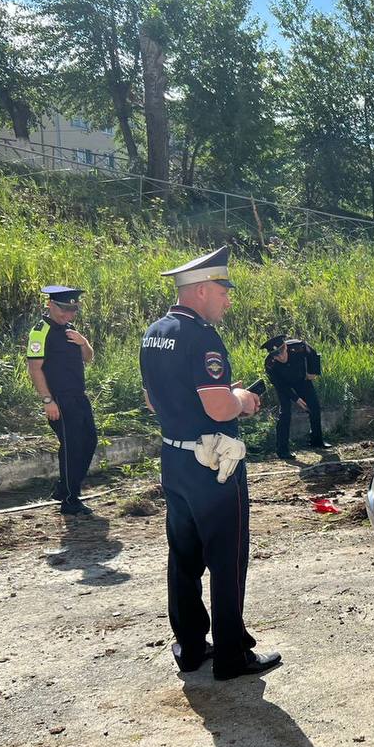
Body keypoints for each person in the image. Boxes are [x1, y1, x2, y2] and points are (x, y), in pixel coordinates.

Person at [139, 245, 281, 682]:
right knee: (227, 558)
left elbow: (152, 399)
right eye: (223, 291)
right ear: (201, 290)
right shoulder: (202, 337)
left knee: (183, 555)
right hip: (212, 464)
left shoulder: (154, 332)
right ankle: (232, 655)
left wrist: (215, 398)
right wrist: (243, 400)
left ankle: (191, 645)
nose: (228, 299)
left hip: (175, 459)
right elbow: (220, 408)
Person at [26, 285, 97, 516]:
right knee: (72, 447)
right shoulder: (40, 331)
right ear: (50, 305)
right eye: (64, 309)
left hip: (79, 396)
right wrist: (48, 400)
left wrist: (83, 342)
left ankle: (63, 488)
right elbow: (34, 368)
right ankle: (69, 499)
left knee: (89, 442)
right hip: (59, 399)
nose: (68, 314)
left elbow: (89, 358)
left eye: (73, 310)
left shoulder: (70, 329)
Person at [262, 334, 331, 459]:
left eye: (282, 351)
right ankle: (282, 450)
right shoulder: (270, 364)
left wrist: (312, 372)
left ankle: (317, 441)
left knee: (314, 407)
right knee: (285, 413)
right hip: (285, 387)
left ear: (285, 347)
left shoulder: (299, 347)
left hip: (302, 380)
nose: (281, 357)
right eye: (276, 355)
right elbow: (279, 385)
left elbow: (313, 354)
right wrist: (296, 399)